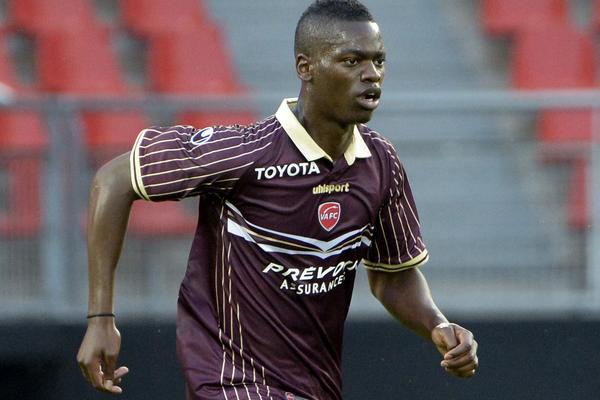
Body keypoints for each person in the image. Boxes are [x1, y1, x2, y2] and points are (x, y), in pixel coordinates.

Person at [76, 0, 479, 399]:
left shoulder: (380, 162)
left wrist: (437, 324)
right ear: (306, 67)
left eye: (379, 61)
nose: (372, 74)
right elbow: (113, 180)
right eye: (352, 61)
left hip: (314, 386)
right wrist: (100, 318)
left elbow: (392, 275)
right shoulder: (245, 152)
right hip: (229, 383)